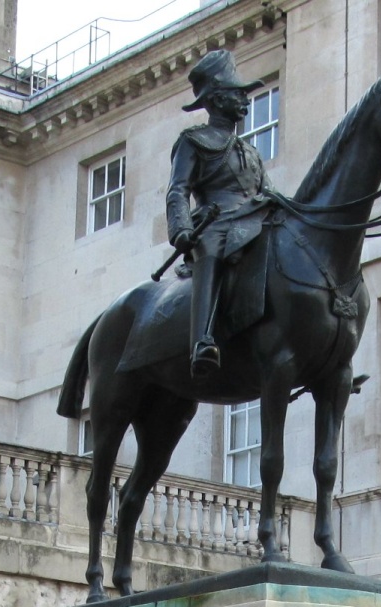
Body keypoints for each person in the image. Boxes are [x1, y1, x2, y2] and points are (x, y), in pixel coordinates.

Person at [166, 50, 271, 377]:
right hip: (215, 221)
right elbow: (178, 190)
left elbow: (268, 192)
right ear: (216, 99)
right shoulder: (193, 141)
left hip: (255, 219)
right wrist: (181, 229)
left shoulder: (250, 151)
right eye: (237, 93)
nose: (245, 100)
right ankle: (202, 341)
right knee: (211, 249)